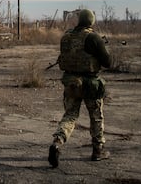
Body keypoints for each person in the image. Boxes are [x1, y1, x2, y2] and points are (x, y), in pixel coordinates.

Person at [48, 9, 111, 168]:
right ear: (91, 21)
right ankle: (98, 150)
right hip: (91, 84)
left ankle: (57, 142)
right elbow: (107, 62)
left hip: (71, 83)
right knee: (96, 117)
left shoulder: (66, 37)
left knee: (70, 116)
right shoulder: (93, 37)